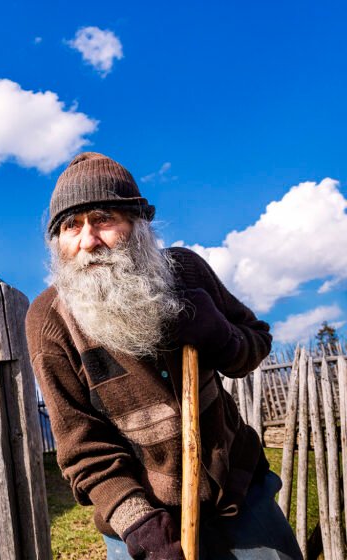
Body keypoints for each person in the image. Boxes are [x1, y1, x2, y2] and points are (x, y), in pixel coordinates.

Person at [26, 152, 302, 559]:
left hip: (241, 492)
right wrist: (141, 525)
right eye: (71, 226)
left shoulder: (185, 273)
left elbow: (254, 345)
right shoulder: (50, 321)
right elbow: (81, 448)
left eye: (103, 219)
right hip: (141, 519)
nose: (88, 241)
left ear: (137, 225)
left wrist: (220, 334)